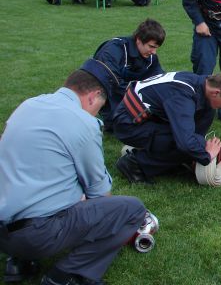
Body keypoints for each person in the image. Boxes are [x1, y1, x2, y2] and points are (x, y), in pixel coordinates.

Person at [0, 59, 146, 285]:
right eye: (100, 106)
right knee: (131, 209)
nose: (97, 113)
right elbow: (100, 192)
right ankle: (68, 276)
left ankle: (18, 262)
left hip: (4, 229)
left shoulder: (28, 105)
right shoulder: (83, 123)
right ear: (93, 96)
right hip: (36, 235)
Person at [112, 69, 221, 184]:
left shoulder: (202, 83)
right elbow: (185, 142)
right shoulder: (182, 96)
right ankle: (135, 164)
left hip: (147, 117)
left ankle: (176, 161)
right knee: (186, 143)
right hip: (129, 124)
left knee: (199, 132)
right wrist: (206, 155)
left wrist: (196, 151)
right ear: (215, 92)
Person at [93, 18, 166, 132]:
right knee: (119, 124)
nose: (154, 52)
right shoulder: (113, 50)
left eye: (156, 48)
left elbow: (159, 80)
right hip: (109, 93)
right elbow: (110, 82)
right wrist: (140, 96)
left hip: (130, 93)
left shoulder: (151, 58)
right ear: (138, 40)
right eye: (151, 46)